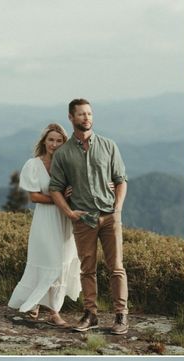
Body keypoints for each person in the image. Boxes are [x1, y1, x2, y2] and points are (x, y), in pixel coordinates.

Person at [49, 99, 129, 334]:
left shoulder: (108, 145)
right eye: (82, 114)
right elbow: (55, 187)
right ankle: (90, 314)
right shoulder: (63, 154)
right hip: (83, 219)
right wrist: (69, 212)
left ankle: (121, 316)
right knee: (87, 269)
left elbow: (121, 180)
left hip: (109, 216)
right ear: (71, 117)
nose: (87, 117)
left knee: (116, 268)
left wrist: (118, 207)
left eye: (90, 113)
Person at [8, 123, 81, 326]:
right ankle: (36, 305)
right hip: (45, 220)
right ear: (44, 141)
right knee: (47, 261)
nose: (54, 144)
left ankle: (53, 311)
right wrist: (59, 199)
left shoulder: (69, 166)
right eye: (51, 140)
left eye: (59, 141)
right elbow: (34, 197)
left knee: (62, 262)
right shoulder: (33, 165)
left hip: (65, 219)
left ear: (64, 143)